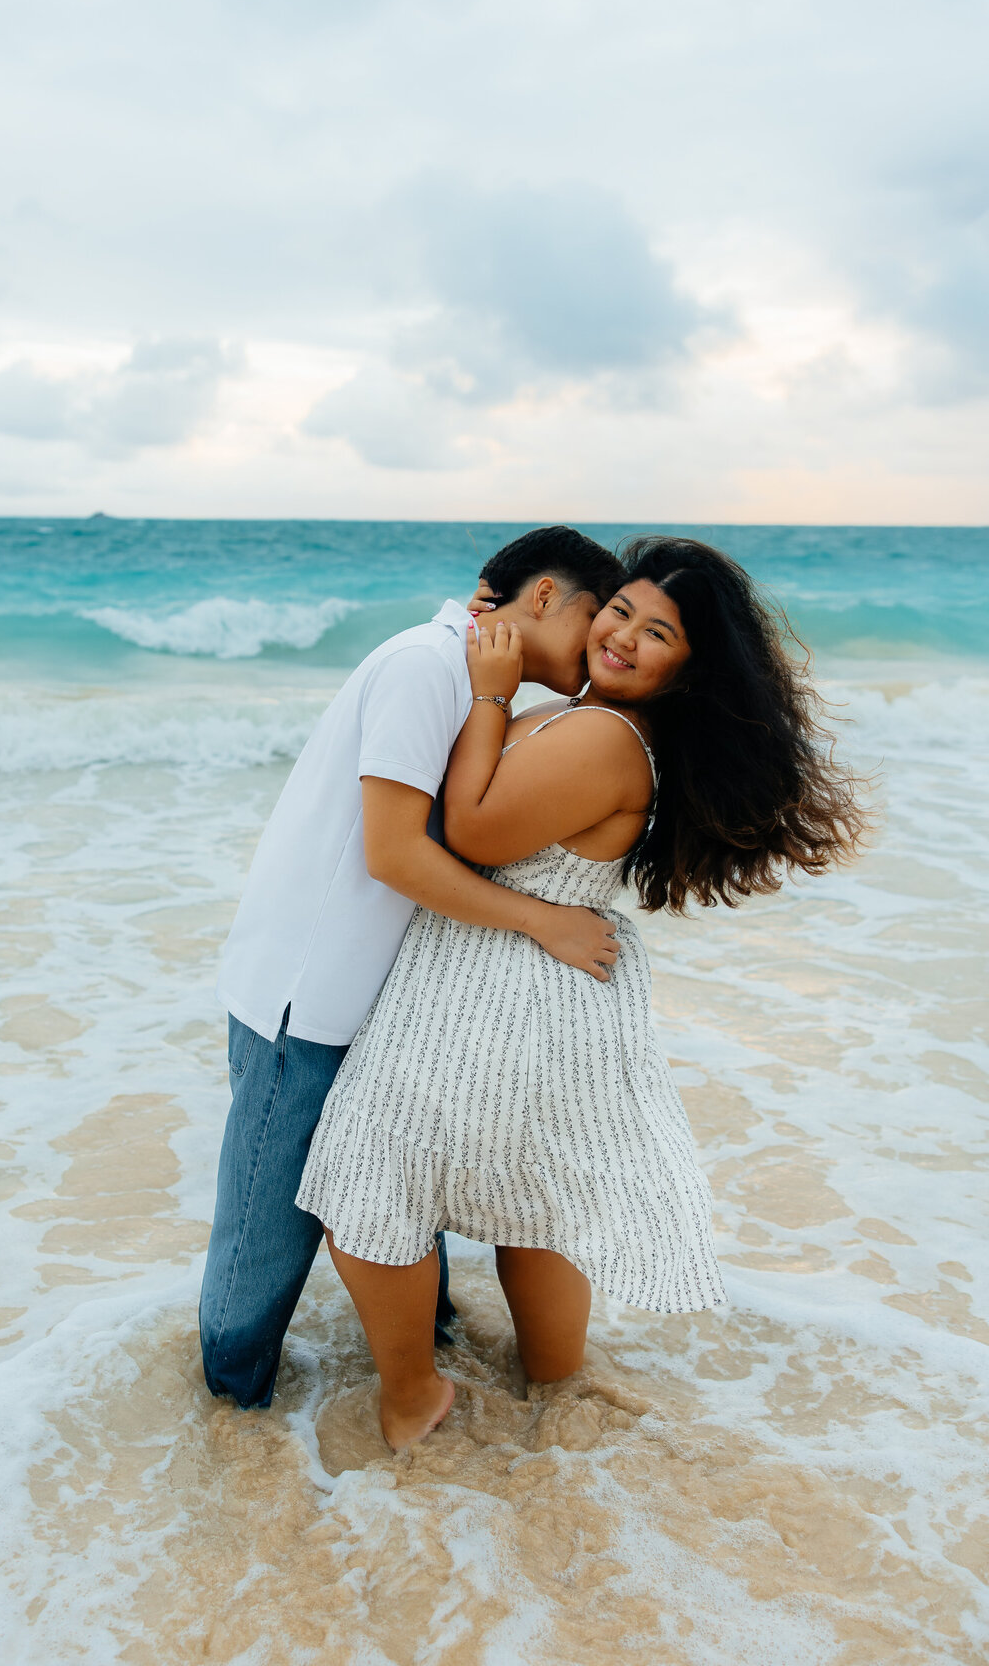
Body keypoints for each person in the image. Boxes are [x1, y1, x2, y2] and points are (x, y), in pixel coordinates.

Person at [297, 537, 868, 1448]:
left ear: (690, 668)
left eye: (660, 634)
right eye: (622, 612)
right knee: (536, 1201)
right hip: (531, 983)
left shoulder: (607, 735)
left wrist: (488, 695)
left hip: (497, 989)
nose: (626, 638)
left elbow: (477, 830)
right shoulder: (586, 717)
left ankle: (414, 1397)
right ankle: (557, 1381)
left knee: (372, 1183)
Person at [200, 526, 625, 1410]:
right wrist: (545, 923)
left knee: (393, 1193)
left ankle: (421, 1371)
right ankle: (229, 1414)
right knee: (264, 1241)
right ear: (543, 595)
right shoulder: (425, 667)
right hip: (308, 994)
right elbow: (394, 854)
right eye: (595, 617)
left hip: (380, 997)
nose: (597, 648)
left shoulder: (474, 681)